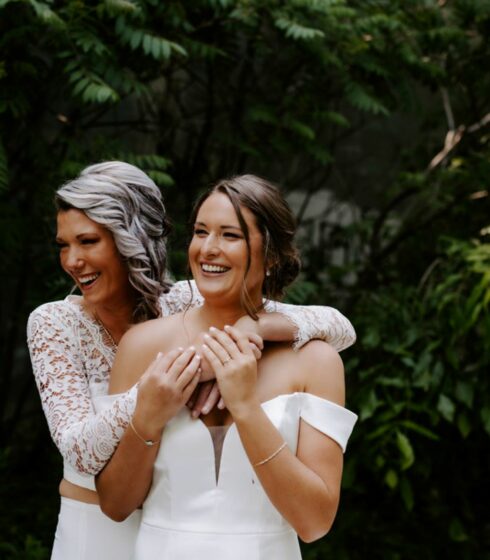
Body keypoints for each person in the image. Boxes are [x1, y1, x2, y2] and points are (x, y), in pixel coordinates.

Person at [27, 163, 356, 560]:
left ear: (130, 241)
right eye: (201, 232)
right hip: (95, 527)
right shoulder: (61, 324)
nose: (72, 260)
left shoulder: (182, 299)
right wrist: (160, 393)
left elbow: (337, 324)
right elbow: (83, 455)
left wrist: (253, 332)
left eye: (88, 241)